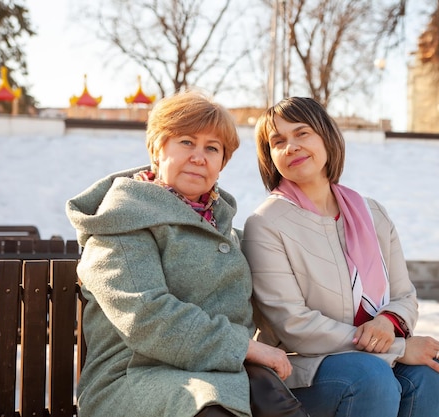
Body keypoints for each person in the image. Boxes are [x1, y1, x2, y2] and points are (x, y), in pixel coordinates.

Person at [66, 90, 308, 417]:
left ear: (221, 164)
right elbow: (147, 316)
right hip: (132, 378)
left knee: (281, 400)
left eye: (212, 148)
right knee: (211, 408)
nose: (199, 156)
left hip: (217, 372)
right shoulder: (122, 222)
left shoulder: (225, 229)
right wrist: (243, 347)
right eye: (186, 142)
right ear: (157, 149)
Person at [241, 97, 439, 417]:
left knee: (434, 368)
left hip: (371, 361)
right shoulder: (266, 224)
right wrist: (398, 349)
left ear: (327, 137)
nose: (291, 147)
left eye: (302, 134)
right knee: (370, 374)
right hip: (302, 369)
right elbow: (293, 324)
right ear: (270, 156)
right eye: (278, 141)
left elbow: (403, 296)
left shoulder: (372, 213)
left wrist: (387, 322)